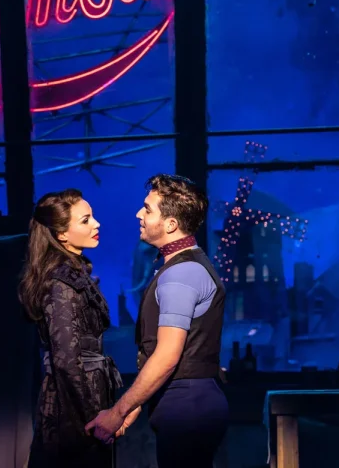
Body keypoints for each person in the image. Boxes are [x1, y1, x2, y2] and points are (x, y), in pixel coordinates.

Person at [86, 174, 229, 468]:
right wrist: (132, 408)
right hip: (189, 402)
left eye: (148, 209)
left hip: (188, 405)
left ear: (171, 224)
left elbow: (166, 357)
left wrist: (116, 412)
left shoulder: (181, 274)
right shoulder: (182, 266)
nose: (139, 214)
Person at [19, 189, 123, 468]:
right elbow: (66, 360)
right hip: (73, 406)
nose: (96, 224)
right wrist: (94, 419)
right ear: (62, 234)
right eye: (86, 220)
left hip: (87, 395)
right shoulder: (61, 283)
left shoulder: (76, 274)